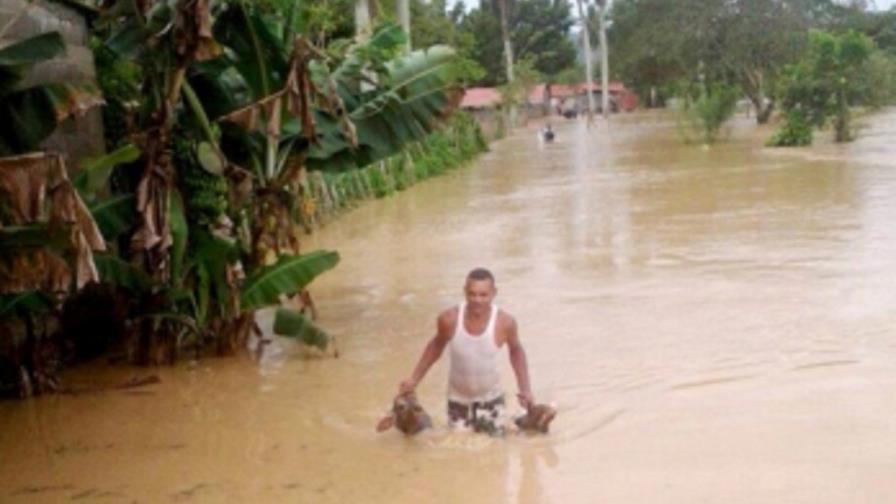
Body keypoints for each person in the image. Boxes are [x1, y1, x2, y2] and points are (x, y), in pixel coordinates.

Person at [398, 268, 536, 435]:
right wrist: (414, 379)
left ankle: (523, 421)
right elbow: (436, 346)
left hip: (491, 399)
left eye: (483, 295)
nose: (477, 300)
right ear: (464, 292)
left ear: (494, 293)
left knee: (494, 453)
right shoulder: (449, 319)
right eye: (472, 294)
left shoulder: (505, 322)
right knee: (459, 451)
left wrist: (525, 389)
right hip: (458, 400)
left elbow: (516, 351)